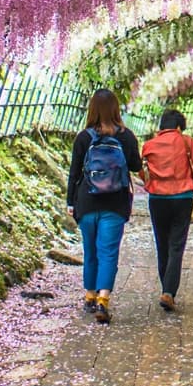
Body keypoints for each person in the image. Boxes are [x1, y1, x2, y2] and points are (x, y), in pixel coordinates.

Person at [65, 89, 141, 324]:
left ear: (92, 110)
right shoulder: (126, 137)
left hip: (87, 202)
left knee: (91, 251)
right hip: (115, 204)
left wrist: (70, 202)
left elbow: (74, 172)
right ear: (116, 109)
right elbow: (136, 165)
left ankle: (89, 295)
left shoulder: (83, 138)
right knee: (108, 252)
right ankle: (103, 300)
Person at [140, 108, 193, 311]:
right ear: (179, 127)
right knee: (176, 245)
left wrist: (149, 183)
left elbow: (142, 170)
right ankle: (168, 292)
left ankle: (166, 289)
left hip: (157, 199)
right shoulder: (186, 142)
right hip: (182, 198)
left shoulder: (149, 145)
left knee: (162, 244)